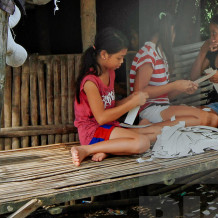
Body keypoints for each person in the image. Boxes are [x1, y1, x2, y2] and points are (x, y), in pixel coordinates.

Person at [70, 27, 169, 166]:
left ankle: (107, 149)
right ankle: (86, 149)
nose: (122, 62)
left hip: (109, 127)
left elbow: (110, 106)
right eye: (119, 57)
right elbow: (102, 117)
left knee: (157, 133)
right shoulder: (90, 82)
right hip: (92, 132)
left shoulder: (110, 72)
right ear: (104, 54)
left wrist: (131, 99)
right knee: (143, 143)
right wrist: (131, 103)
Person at [129, 14, 218, 128]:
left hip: (162, 107)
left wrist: (182, 87)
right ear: (166, 31)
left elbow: (166, 95)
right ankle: (150, 127)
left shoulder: (160, 54)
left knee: (212, 117)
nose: (174, 36)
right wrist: (174, 85)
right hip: (149, 110)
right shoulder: (148, 54)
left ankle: (154, 127)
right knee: (210, 119)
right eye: (173, 31)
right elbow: (139, 92)